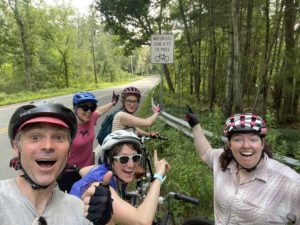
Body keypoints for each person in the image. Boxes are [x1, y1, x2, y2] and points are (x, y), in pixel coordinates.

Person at [1, 100, 112, 225]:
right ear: (16, 147)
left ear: (69, 150)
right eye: (35, 137)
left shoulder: (78, 210)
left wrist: (104, 221)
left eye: (59, 137)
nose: (48, 146)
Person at [184, 108, 300, 224]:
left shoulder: (289, 182)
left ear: (262, 144)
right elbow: (205, 153)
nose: (245, 145)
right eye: (237, 139)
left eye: (253, 139)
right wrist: (195, 125)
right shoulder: (223, 160)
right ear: (229, 144)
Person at [70, 129, 170, 225]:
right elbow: (143, 221)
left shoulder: (101, 169)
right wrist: (158, 175)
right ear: (110, 160)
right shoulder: (99, 189)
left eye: (135, 158)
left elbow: (82, 171)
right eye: (123, 159)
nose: (131, 165)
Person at [57, 91, 119, 192]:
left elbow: (100, 111)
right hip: (69, 172)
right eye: (85, 107)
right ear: (75, 108)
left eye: (92, 107)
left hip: (88, 169)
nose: (89, 111)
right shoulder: (67, 127)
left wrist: (113, 103)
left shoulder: (91, 119)